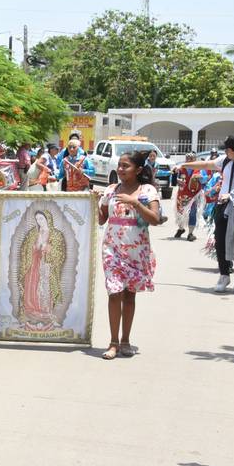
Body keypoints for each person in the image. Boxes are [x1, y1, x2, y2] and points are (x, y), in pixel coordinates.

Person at [177, 135, 234, 294]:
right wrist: (184, 164)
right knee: (220, 243)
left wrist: (233, 195)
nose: (225, 152)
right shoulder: (226, 160)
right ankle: (224, 275)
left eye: (227, 149)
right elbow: (207, 164)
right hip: (223, 208)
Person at [97, 150, 161, 360]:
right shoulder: (111, 190)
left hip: (136, 249)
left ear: (138, 169)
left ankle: (125, 340)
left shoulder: (147, 190)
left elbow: (155, 219)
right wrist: (93, 202)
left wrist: (135, 203)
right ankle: (113, 342)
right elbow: (101, 219)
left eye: (126, 166)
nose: (121, 169)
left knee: (129, 295)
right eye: (120, 165)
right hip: (112, 248)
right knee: (114, 292)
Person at [174, 152, 204, 241]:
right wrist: (178, 179)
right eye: (187, 159)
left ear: (195, 160)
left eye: (191, 159)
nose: (189, 161)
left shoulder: (199, 169)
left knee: (192, 213)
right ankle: (181, 228)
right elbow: (175, 179)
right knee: (180, 212)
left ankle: (190, 233)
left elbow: (205, 178)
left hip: (194, 195)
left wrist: (200, 177)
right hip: (182, 194)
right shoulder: (181, 168)